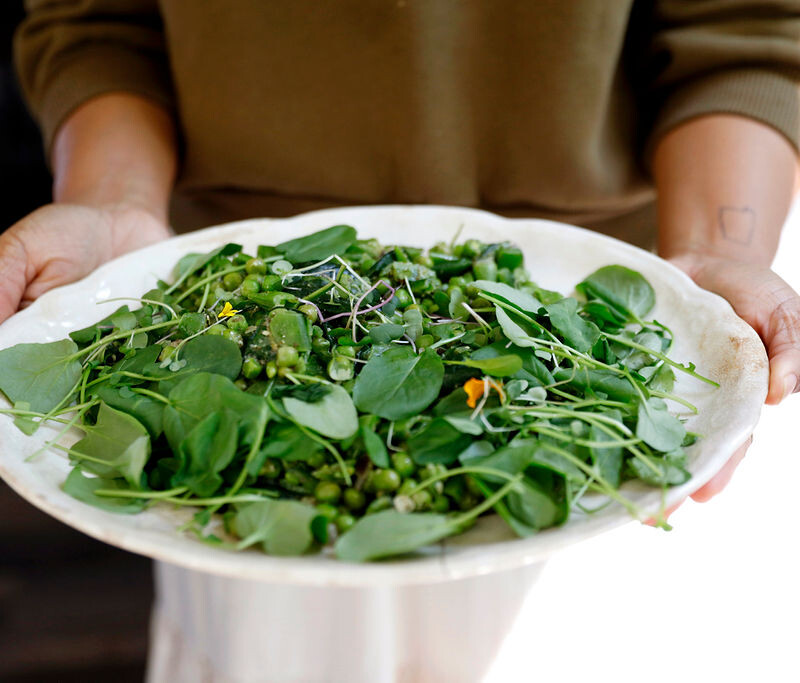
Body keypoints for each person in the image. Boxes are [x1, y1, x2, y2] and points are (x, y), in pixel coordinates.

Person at [3, 2, 800, 681]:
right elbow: (99, 19)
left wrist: (712, 261)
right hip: (213, 299)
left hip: (567, 310)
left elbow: (740, 26)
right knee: (266, 638)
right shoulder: (211, 374)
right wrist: (114, 205)